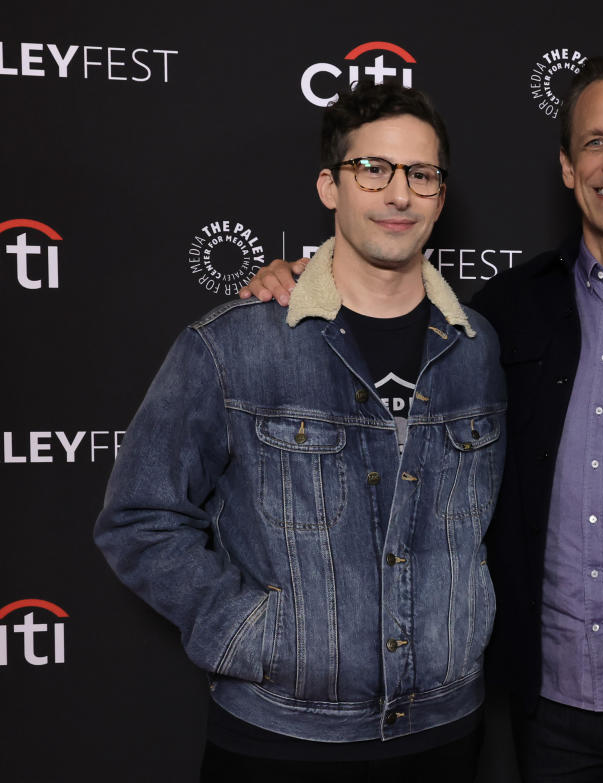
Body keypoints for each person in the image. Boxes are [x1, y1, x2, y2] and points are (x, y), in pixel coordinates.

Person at [243, 51, 603, 783]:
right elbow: (382, 308)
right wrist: (302, 276)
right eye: (594, 142)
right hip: (548, 709)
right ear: (565, 165)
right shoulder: (501, 314)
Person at [95, 80, 507, 783]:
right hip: (280, 737)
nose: (398, 193)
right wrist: (252, 632)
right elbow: (138, 517)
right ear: (329, 186)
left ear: (440, 194)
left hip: (446, 731)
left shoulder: (479, 349)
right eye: (371, 168)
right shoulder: (233, 346)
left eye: (421, 174)